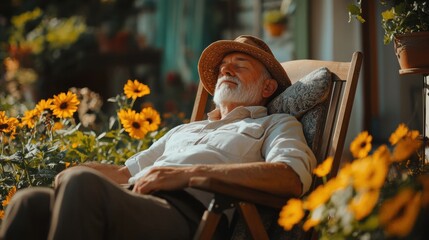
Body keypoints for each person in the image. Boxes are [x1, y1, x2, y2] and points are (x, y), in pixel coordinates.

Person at [0, 35, 316, 240]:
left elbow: (289, 177)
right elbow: (125, 173)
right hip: (138, 200)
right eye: (222, 67)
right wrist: (69, 173)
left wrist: (191, 174)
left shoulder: (276, 124)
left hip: (192, 217)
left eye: (240, 65)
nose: (225, 70)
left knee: (82, 186)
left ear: (267, 88)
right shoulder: (185, 130)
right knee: (29, 202)